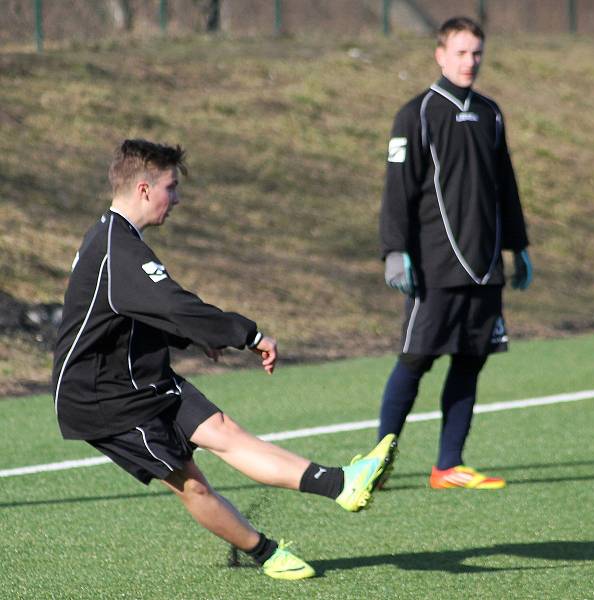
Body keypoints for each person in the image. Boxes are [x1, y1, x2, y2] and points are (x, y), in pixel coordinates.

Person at [52, 139, 397, 581]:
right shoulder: (116, 247)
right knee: (191, 482)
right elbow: (173, 305)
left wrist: (193, 337)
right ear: (143, 189)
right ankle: (266, 553)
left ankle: (343, 484)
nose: (176, 199)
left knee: (225, 432)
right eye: (171, 188)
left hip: (140, 375)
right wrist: (246, 333)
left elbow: (135, 310)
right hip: (104, 399)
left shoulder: (115, 238)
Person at [378, 17, 532, 490]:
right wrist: (394, 250)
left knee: (471, 360)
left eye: (476, 53)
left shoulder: (491, 113)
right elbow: (398, 189)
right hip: (435, 265)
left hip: (485, 266)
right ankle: (378, 462)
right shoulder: (417, 113)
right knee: (415, 358)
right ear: (440, 55)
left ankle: (448, 466)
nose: (470, 62)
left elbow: (505, 183)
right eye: (461, 53)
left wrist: (518, 246)